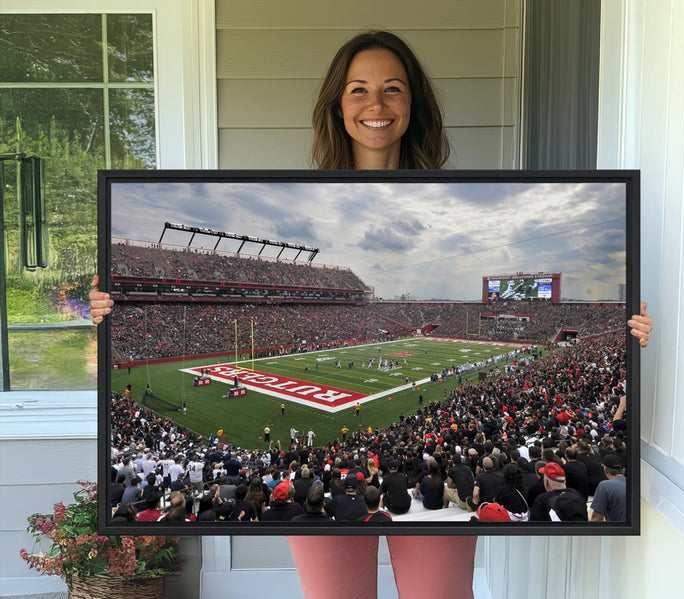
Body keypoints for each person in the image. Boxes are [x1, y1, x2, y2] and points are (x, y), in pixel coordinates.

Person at [88, 28, 653, 599]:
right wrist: (107, 312)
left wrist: (630, 338)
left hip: (416, 493)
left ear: (415, 105)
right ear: (337, 105)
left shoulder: (455, 190)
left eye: (393, 89)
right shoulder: (296, 190)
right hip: (335, 497)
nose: (375, 104)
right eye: (358, 89)